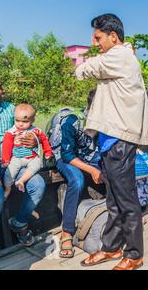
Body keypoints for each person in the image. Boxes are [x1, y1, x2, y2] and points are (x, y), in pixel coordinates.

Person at [75, 14, 148, 270]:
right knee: (113, 200)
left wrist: (79, 63)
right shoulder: (116, 59)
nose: (95, 43)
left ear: (113, 37)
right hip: (111, 139)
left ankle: (134, 253)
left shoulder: (120, 56)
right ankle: (111, 247)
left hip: (119, 139)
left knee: (126, 200)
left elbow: (85, 69)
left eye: (97, 37)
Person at [0, 71, 46, 253]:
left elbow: (30, 128)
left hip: (13, 164)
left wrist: (34, 140)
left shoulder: (10, 109)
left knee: (38, 184)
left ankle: (19, 223)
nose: (3, 90)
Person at [54, 90, 101, 258]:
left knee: (116, 173)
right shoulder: (73, 121)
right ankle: (66, 232)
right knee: (77, 180)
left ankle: (123, 214)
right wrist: (92, 169)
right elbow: (67, 155)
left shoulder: (106, 123)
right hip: (67, 157)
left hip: (89, 158)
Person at [1, 104, 53, 199]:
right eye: (17, 120)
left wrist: (48, 152)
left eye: (25, 121)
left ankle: (21, 180)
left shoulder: (36, 131)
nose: (20, 124)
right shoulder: (12, 132)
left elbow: (45, 140)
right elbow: (6, 146)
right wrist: (5, 160)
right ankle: (7, 189)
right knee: (9, 172)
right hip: (17, 157)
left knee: (36, 165)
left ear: (32, 120)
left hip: (31, 157)